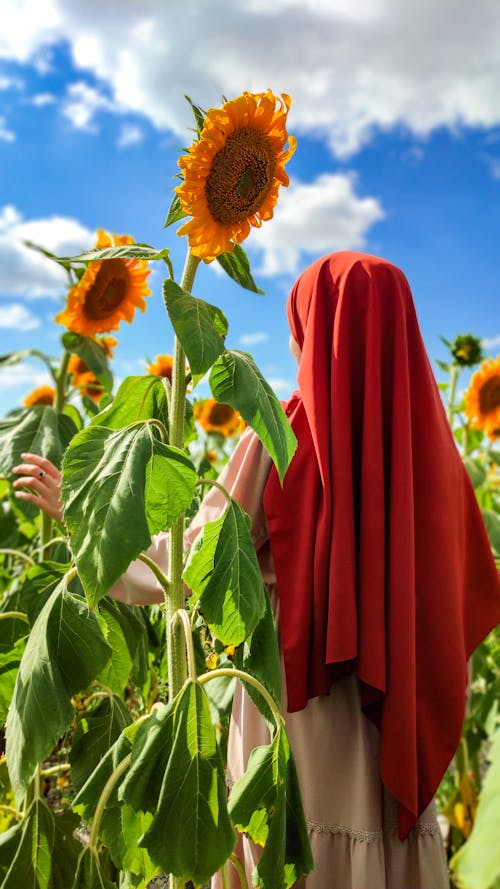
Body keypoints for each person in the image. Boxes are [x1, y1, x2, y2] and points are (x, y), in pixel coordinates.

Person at [13, 251, 500, 889]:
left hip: (297, 704)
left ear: (314, 328)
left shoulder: (286, 429)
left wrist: (88, 521)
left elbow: (191, 562)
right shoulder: (436, 459)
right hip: (396, 709)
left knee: (288, 842)